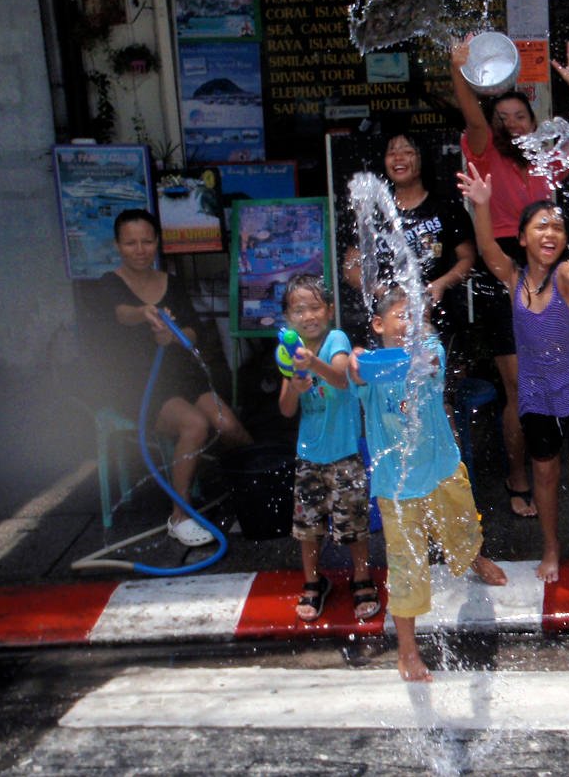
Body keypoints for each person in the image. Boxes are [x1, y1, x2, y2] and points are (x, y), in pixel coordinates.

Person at [456, 164, 569, 583]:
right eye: (540, 226)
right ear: (522, 238)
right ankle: (551, 548)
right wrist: (481, 205)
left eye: (558, 227)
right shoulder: (513, 278)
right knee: (545, 474)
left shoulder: (567, 277)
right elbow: (485, 249)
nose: (551, 233)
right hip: (536, 395)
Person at [450, 35, 569, 519]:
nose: (511, 124)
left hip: (547, 264)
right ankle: (519, 472)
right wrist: (458, 68)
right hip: (503, 262)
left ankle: (559, 453)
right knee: (519, 385)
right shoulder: (485, 152)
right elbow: (471, 114)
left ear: (533, 125)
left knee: (562, 362)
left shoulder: (546, 161)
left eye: (520, 117)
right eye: (502, 118)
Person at [351, 288, 507, 681]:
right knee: (406, 567)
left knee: (463, 526)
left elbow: (427, 362)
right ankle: (407, 650)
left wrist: (366, 364)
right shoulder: (365, 369)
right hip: (396, 486)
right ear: (379, 324)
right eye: (401, 316)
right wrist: (353, 365)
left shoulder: (430, 347)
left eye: (415, 316)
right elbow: (350, 375)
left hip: (441, 468)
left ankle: (474, 557)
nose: (410, 324)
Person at [87, 209, 252, 547]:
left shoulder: (170, 282)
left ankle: (252, 489)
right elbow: (122, 314)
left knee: (230, 426)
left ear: (157, 243)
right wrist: (145, 313)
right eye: (131, 242)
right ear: (118, 245)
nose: (140, 249)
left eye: (147, 241)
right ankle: (179, 516)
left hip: (182, 376)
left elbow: (192, 330)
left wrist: (175, 336)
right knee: (194, 425)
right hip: (139, 386)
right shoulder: (109, 284)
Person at [340, 128, 476, 388]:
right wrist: (379, 290)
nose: (398, 158)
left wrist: (441, 283)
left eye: (407, 151)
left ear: (421, 158)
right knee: (389, 392)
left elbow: (468, 259)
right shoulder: (374, 210)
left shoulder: (446, 207)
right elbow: (351, 268)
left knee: (440, 393)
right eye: (392, 153)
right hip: (388, 321)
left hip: (438, 316)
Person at [276, 274, 377, 623]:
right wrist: (295, 383)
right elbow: (286, 410)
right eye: (298, 310)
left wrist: (310, 364)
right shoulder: (288, 353)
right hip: (308, 456)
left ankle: (361, 577)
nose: (308, 316)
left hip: (344, 453)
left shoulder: (337, 338)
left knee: (354, 525)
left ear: (329, 310)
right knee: (308, 528)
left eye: (315, 307)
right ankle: (312, 581)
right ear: (289, 318)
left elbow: (338, 377)